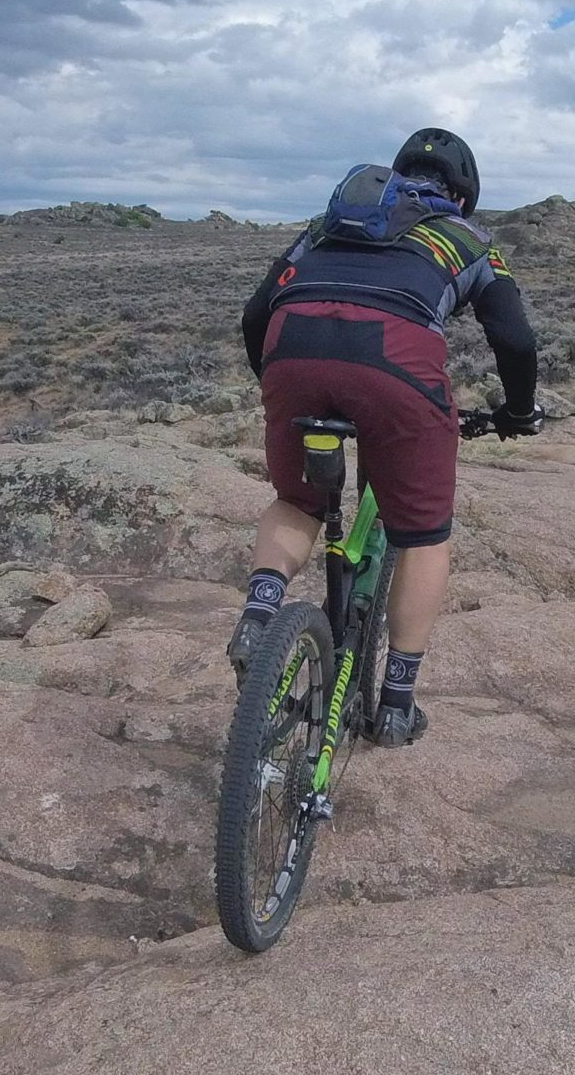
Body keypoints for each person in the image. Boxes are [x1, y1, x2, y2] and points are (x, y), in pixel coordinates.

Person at [231, 128, 542, 747]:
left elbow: (254, 314)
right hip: (394, 365)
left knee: (297, 500)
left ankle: (260, 613)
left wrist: (280, 382)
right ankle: (397, 704)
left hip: (292, 351)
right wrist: (517, 411)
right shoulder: (467, 238)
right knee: (423, 534)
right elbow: (515, 340)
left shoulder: (326, 225)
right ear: (464, 193)